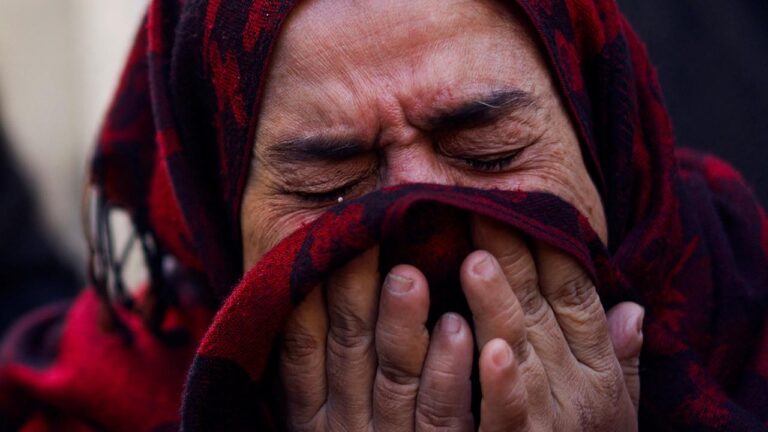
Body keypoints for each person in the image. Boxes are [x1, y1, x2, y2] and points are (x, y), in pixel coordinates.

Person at [0, 0, 766, 431]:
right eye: (326, 185)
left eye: (490, 152)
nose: (416, 220)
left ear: (604, 139)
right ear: (211, 212)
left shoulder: (747, 317)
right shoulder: (82, 413)